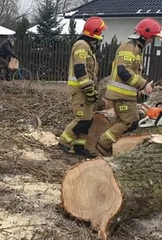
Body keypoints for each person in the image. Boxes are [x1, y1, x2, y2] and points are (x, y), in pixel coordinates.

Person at [96, 18, 162, 156]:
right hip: (121, 96)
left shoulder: (136, 49)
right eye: (151, 38)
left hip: (126, 95)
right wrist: (142, 83)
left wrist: (140, 92)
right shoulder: (129, 47)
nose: (151, 41)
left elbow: (130, 75)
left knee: (123, 122)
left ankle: (112, 148)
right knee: (130, 122)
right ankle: (102, 143)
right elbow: (123, 71)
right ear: (145, 35)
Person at [58, 16, 107, 157]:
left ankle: (79, 147)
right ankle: (64, 141)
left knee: (88, 120)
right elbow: (80, 70)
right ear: (95, 33)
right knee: (82, 119)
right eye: (101, 33)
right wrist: (88, 89)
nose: (101, 37)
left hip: (84, 90)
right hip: (80, 90)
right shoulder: (81, 46)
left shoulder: (87, 47)